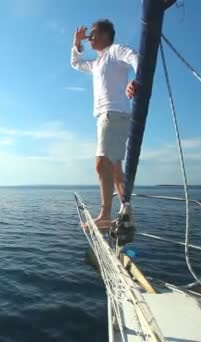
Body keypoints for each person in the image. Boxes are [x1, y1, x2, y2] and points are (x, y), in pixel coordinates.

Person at [71, 19, 138, 229]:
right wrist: (77, 44)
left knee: (102, 164)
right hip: (105, 116)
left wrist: (136, 81)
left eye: (94, 34)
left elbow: (136, 59)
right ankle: (124, 213)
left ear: (106, 35)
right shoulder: (97, 62)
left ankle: (107, 215)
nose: (90, 37)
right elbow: (76, 64)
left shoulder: (115, 51)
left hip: (114, 114)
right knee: (114, 166)